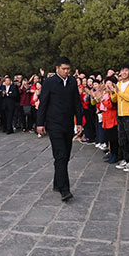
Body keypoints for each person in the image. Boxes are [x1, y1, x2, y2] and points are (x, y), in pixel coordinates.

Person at [37, 57, 83, 202]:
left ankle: (57, 182)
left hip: (68, 123)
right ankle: (65, 189)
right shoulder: (49, 82)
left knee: (65, 156)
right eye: (64, 69)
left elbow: (77, 102)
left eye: (68, 69)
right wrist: (40, 123)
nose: (66, 71)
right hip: (54, 123)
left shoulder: (72, 82)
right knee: (61, 155)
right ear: (57, 68)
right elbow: (43, 103)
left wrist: (79, 121)